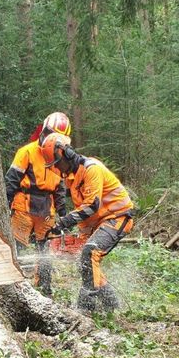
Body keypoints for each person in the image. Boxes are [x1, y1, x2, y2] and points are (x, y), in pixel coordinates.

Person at [41, 132, 134, 313]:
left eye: (57, 164)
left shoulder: (92, 169)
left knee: (90, 252)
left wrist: (64, 222)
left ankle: (85, 309)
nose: (57, 169)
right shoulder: (71, 177)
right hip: (96, 224)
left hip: (117, 217)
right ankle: (112, 306)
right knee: (85, 260)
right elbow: (65, 200)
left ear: (66, 153)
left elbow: (92, 205)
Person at [5, 112, 71, 295]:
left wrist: (63, 214)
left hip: (46, 206)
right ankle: (12, 284)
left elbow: (59, 188)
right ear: (43, 131)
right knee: (17, 244)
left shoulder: (60, 158)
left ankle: (44, 285)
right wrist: (5, 203)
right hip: (23, 204)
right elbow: (12, 180)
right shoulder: (27, 151)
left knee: (45, 248)